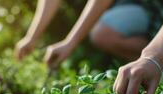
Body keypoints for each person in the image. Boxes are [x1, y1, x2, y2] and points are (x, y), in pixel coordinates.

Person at [15, 0, 151, 64]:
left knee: (102, 34)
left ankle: (159, 59)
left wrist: (70, 42)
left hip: (148, 6)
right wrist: (31, 37)